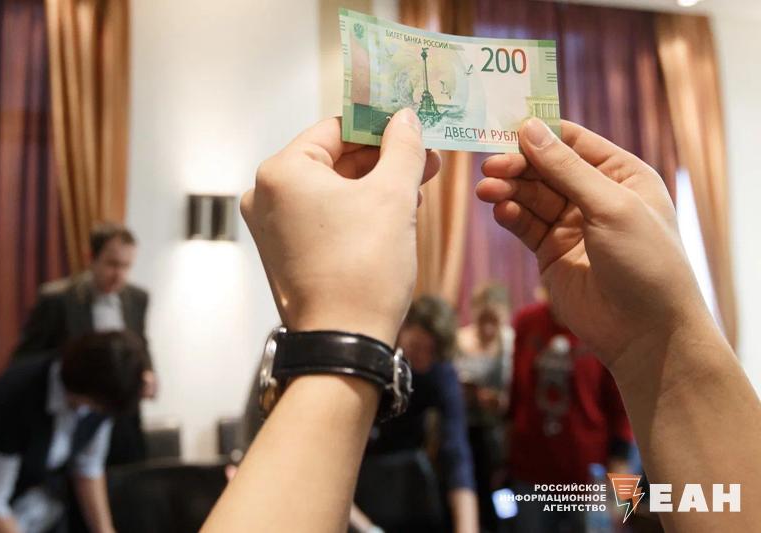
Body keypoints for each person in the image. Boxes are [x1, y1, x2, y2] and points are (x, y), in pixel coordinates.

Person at [200, 111, 761, 533]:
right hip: (529, 474)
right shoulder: (535, 322)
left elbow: (468, 450)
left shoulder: (526, 341)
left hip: (588, 478)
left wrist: (658, 344)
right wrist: (660, 335)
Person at [0, 331, 146, 533]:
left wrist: (105, 530)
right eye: (98, 406)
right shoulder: (15, 395)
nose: (98, 413)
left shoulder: (102, 402)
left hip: (36, 507)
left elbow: (88, 469)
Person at [13, 222, 155, 466]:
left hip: (122, 416)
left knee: (131, 476)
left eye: (126, 266)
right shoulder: (57, 299)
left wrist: (148, 372)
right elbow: (26, 360)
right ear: (91, 258)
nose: (119, 275)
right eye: (112, 264)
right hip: (74, 415)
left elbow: (141, 342)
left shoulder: (137, 298)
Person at [351, 295, 477, 533]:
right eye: (416, 347)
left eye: (431, 353)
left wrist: (467, 527)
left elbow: (456, 451)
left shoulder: (441, 372)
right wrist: (367, 529)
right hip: (359, 474)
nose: (422, 359)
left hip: (408, 481)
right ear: (403, 327)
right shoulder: (372, 358)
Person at [507, 296, 633, 532]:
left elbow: (622, 409)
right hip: (531, 472)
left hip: (588, 477)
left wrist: (620, 482)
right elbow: (516, 396)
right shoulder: (527, 322)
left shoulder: (604, 327)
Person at [455, 283, 514, 530]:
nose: (488, 328)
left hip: (500, 433)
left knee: (503, 499)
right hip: (465, 431)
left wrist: (500, 401)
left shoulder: (510, 342)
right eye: (482, 320)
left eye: (494, 321)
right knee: (470, 490)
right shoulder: (459, 341)